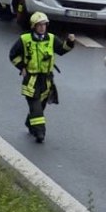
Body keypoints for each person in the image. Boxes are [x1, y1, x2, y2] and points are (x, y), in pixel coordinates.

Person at [9, 12, 75, 143]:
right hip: (31, 80)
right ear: (34, 26)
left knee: (41, 106)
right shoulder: (24, 39)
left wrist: (70, 42)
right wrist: (22, 67)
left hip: (47, 80)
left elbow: (62, 49)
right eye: (39, 25)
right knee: (36, 106)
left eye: (44, 25)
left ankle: (30, 123)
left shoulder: (51, 38)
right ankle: (40, 132)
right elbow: (12, 55)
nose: (42, 27)